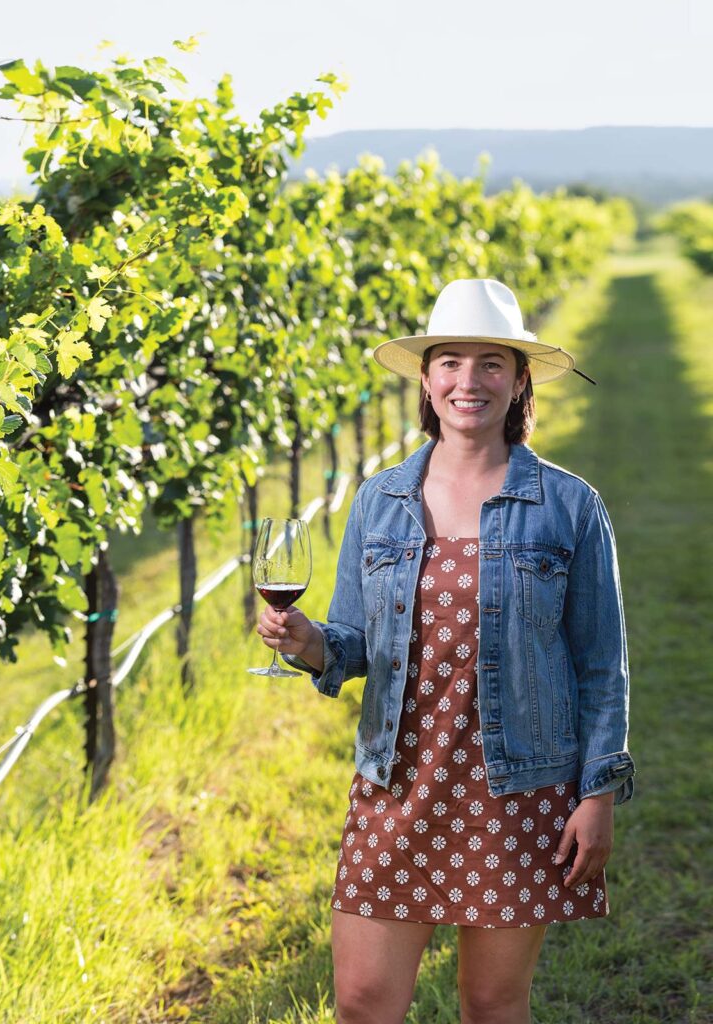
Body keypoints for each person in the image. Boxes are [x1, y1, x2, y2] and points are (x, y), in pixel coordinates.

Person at [256, 278, 635, 1024]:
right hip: (396, 782)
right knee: (363, 1001)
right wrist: (307, 644)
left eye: (491, 363)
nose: (470, 381)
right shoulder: (380, 499)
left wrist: (597, 796)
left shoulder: (569, 505)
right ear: (427, 381)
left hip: (517, 790)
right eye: (451, 362)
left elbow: (602, 665)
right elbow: (353, 643)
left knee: (491, 1003)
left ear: (519, 381)